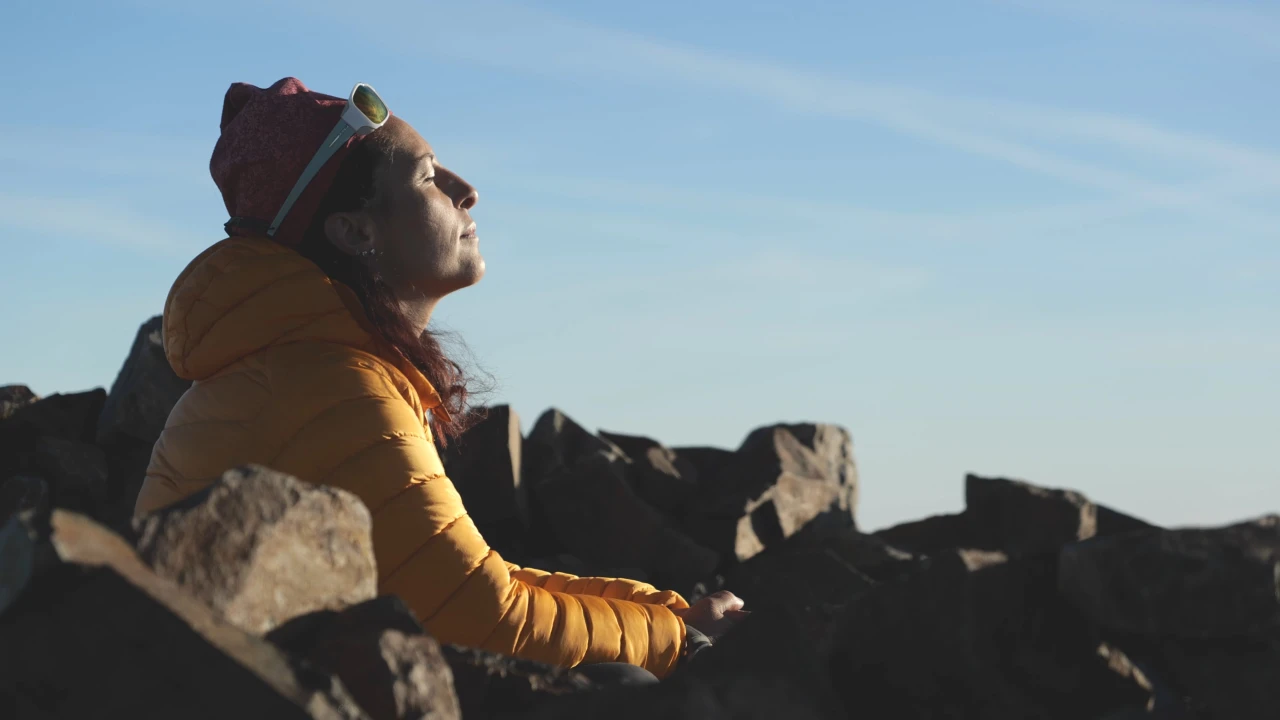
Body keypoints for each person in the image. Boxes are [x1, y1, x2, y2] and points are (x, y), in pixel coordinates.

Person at [133, 77, 745, 681]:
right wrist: (682, 643)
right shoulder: (335, 389)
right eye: (428, 177)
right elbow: (483, 617)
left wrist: (671, 616)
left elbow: (471, 578)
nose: (466, 191)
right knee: (623, 688)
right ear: (356, 231)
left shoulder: (313, 366)